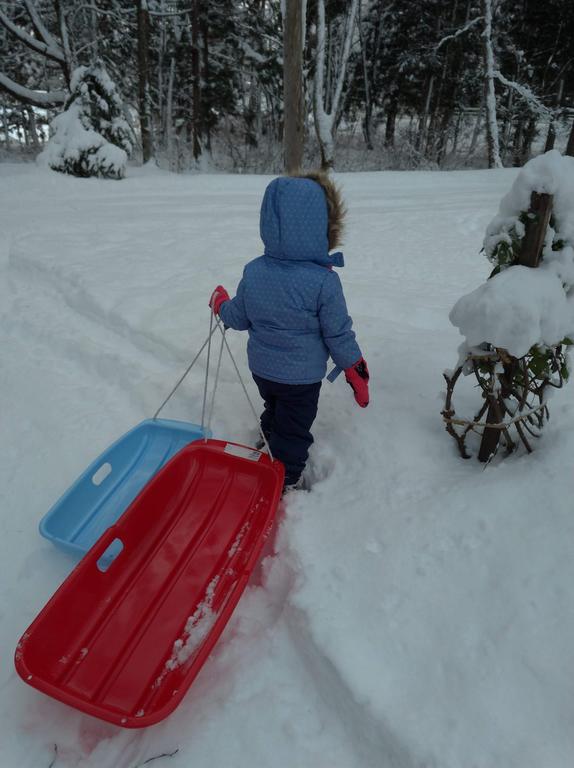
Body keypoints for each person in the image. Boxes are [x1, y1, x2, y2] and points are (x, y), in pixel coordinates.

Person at [209, 173, 369, 492]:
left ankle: (268, 437)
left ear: (268, 221)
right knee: (295, 428)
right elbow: (338, 334)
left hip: (262, 371)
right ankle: (286, 477)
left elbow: (239, 317)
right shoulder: (323, 281)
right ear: (321, 226)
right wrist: (355, 368)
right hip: (301, 380)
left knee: (274, 406)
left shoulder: (255, 271)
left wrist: (221, 304)